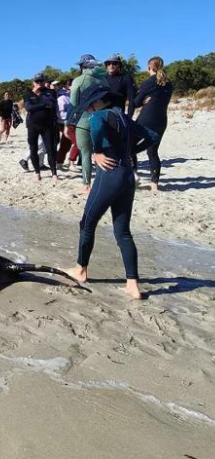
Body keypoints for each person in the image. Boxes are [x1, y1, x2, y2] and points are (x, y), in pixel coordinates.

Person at [64, 86, 159, 300]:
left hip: (110, 175)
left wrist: (98, 152)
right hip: (127, 175)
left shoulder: (99, 116)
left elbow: (96, 129)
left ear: (97, 102)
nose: (88, 108)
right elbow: (152, 136)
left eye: (89, 104)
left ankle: (80, 270)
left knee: (87, 223)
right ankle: (132, 285)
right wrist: (128, 152)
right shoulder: (123, 117)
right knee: (123, 231)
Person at [133, 56, 174, 192]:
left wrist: (142, 101)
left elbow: (136, 102)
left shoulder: (149, 82)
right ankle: (154, 184)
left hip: (146, 119)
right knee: (153, 152)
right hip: (161, 120)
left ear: (149, 67)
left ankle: (131, 178)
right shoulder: (169, 83)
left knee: (130, 147)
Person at [70, 54, 108, 193]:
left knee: (85, 154)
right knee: (100, 151)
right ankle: (100, 184)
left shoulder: (78, 81)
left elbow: (73, 102)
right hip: (100, 119)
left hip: (83, 120)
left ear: (82, 66)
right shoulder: (102, 80)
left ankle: (86, 185)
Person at [23, 73, 59, 182]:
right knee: (33, 149)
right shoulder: (28, 94)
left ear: (44, 82)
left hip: (47, 125)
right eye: (37, 81)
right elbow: (28, 107)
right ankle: (37, 172)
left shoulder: (50, 92)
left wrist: (38, 101)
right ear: (33, 82)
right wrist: (43, 104)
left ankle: (54, 174)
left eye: (41, 81)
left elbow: (51, 104)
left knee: (50, 149)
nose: (39, 83)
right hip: (32, 125)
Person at [55, 79, 73, 172]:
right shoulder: (62, 98)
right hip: (63, 122)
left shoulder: (72, 96)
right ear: (67, 86)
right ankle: (63, 162)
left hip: (71, 122)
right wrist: (72, 115)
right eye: (71, 85)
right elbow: (60, 114)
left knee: (67, 143)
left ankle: (59, 162)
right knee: (68, 142)